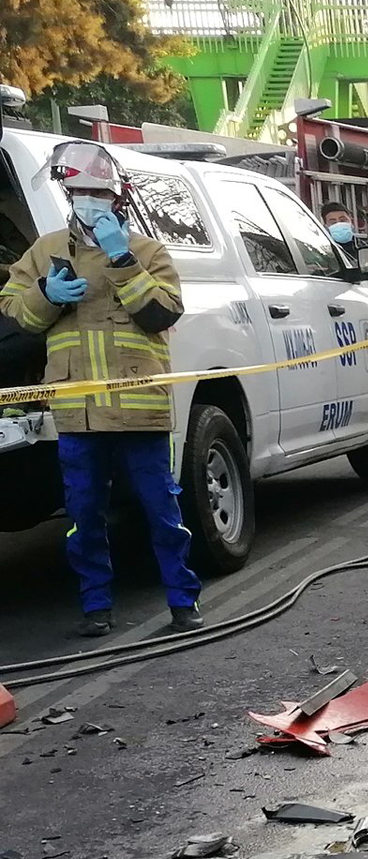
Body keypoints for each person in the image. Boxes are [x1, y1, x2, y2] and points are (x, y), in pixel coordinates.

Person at [0, 142, 199, 636]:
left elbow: (162, 314)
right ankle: (96, 608)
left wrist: (122, 259)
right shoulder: (45, 251)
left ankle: (183, 601)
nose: (89, 200)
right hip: (77, 413)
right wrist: (45, 295)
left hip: (139, 410)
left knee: (162, 512)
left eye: (98, 192)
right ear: (68, 194)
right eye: (80, 191)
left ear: (117, 198)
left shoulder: (148, 252)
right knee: (84, 516)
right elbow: (12, 314)